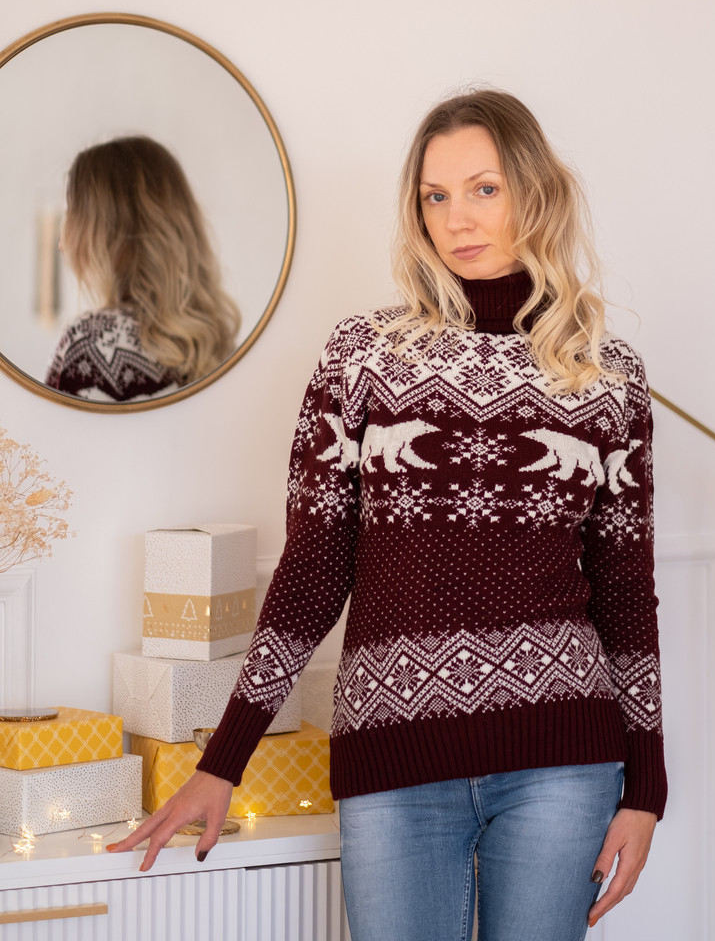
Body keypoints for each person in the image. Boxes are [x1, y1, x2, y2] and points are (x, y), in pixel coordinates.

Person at [108, 90, 666, 939]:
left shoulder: (605, 374)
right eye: (434, 196)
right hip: (393, 757)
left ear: (536, 193)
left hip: (562, 759)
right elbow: (313, 569)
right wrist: (223, 761)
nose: (456, 218)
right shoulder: (362, 355)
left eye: (483, 189)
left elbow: (625, 591)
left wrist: (646, 790)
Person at [45, 136, 240, 403]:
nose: (62, 242)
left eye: (72, 214)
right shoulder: (218, 342)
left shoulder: (91, 341)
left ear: (107, 232)